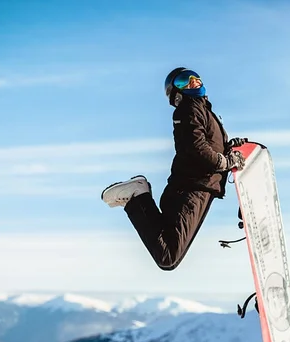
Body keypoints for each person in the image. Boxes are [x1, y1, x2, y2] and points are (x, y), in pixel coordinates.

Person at [101, 67, 247, 270]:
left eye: (196, 77)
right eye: (184, 80)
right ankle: (137, 196)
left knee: (168, 255)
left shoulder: (203, 112)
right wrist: (225, 162)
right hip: (191, 190)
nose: (194, 81)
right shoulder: (189, 109)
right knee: (167, 257)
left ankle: (138, 197)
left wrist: (230, 147)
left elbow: (207, 145)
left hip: (194, 188)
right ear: (175, 93)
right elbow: (195, 148)